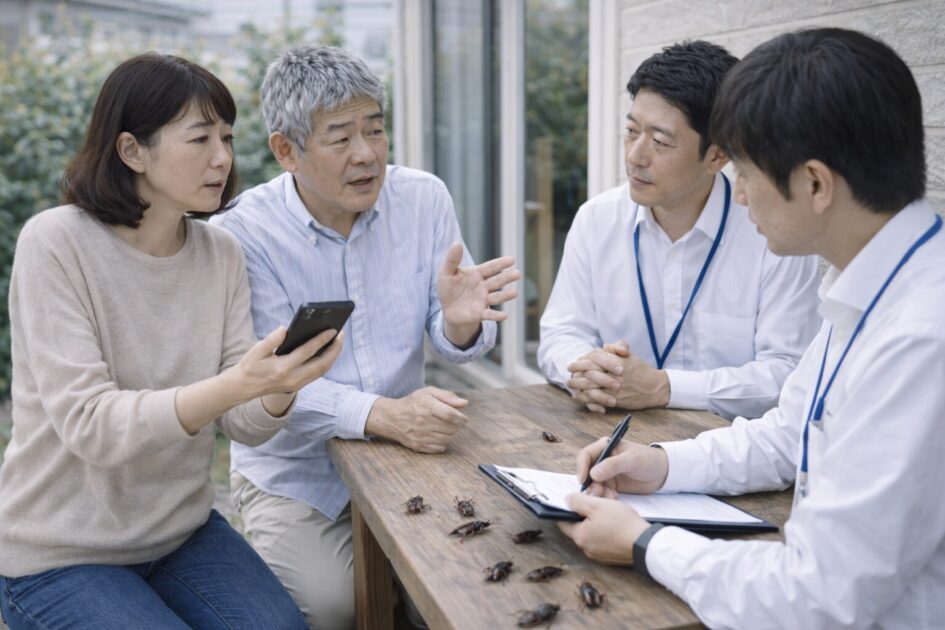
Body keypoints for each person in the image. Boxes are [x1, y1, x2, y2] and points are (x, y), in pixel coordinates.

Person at [559, 28, 945, 628]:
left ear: (815, 184)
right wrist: (660, 464)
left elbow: (819, 595)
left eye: (746, 173)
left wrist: (646, 544)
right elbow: (789, 435)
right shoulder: (873, 286)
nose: (737, 196)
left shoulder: (921, 336)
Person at [0, 53, 345, 630]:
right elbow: (91, 424)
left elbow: (244, 422)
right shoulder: (56, 243)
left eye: (228, 137)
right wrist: (238, 383)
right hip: (58, 553)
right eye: (200, 138)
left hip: (180, 534)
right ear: (132, 151)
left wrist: (280, 386)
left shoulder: (220, 252)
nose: (223, 158)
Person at [211, 45, 520, 628]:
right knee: (334, 608)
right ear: (286, 151)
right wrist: (384, 414)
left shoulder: (423, 197)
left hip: (405, 458)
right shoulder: (243, 234)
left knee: (468, 583)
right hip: (295, 472)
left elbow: (454, 333)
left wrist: (457, 323)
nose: (367, 155)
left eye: (376, 130)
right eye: (340, 138)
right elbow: (270, 383)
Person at [538, 40, 820, 421]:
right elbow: (560, 334)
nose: (635, 156)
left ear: (718, 155)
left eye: (659, 141)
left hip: (734, 454)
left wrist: (663, 387)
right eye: (631, 131)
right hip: (609, 440)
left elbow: (788, 372)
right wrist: (590, 371)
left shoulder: (773, 235)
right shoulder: (597, 220)